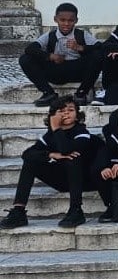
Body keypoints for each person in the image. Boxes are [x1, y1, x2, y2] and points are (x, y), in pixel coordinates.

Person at [0, 95, 96, 229]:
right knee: (30, 162)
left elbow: (66, 149)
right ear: (53, 116)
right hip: (62, 180)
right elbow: (27, 154)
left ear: (77, 115)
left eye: (70, 110)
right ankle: (19, 211)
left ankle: (76, 210)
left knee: (72, 158)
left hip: (84, 180)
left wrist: (56, 128)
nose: (66, 113)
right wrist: (51, 154)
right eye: (61, 111)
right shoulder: (49, 136)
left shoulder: (81, 132)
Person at [19, 2, 102, 107]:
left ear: (76, 20)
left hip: (77, 70)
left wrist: (81, 48)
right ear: (56, 19)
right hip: (56, 70)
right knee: (25, 59)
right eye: (62, 20)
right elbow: (30, 49)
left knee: (98, 56)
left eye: (70, 21)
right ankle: (48, 93)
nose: (66, 24)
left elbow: (100, 47)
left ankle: (81, 93)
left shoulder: (82, 34)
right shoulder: (50, 35)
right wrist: (50, 56)